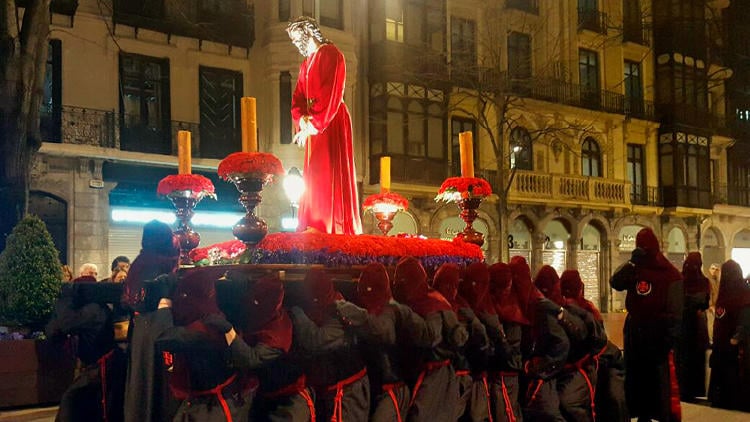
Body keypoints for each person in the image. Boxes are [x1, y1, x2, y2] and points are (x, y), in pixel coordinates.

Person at [287, 16, 362, 235]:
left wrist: (314, 123)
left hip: (331, 121)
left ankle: (331, 226)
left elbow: (332, 91)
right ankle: (313, 223)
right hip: (313, 126)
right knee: (314, 175)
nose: (295, 43)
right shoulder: (305, 64)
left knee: (328, 170)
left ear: (307, 32)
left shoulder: (331, 54)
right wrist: (301, 120)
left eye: (296, 37)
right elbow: (298, 96)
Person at [337, 263, 438, 421]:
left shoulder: (394, 310)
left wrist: (342, 306)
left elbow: (383, 332)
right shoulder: (382, 310)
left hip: (392, 391)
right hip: (374, 389)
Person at [156, 268, 252, 422]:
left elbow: (164, 338)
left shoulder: (204, 327)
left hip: (212, 408)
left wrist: (164, 304)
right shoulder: (219, 315)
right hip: (218, 402)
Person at [610, 227, 683, 422]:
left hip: (657, 334)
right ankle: (642, 416)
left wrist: (669, 338)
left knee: (658, 383)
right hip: (635, 333)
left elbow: (675, 310)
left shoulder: (669, 272)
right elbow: (615, 282)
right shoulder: (635, 269)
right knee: (637, 380)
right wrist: (632, 262)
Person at [392, 256, 468, 422]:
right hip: (417, 371)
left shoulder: (433, 302)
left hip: (435, 375)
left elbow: (431, 338)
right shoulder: (415, 301)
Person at [290, 269, 370, 421]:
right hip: (337, 391)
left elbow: (315, 340)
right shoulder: (324, 309)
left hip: (348, 392)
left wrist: (296, 313)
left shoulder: (338, 312)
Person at [121, 220, 181, 422]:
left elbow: (131, 300)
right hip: (158, 327)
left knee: (142, 382)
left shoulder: (140, 261)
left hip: (141, 331)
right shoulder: (163, 263)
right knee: (158, 383)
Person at [508, 256, 570, 422]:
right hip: (525, 372)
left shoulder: (538, 304)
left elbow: (560, 342)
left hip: (540, 376)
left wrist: (539, 367)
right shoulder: (519, 300)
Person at [708, 259, 750, 411]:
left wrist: (737, 336)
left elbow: (746, 317)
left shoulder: (744, 293)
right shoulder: (724, 292)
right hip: (722, 344)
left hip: (734, 345)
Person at [487, 262, 525, 422]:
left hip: (506, 374)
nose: (506, 290)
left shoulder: (510, 309)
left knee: (507, 413)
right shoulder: (490, 305)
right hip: (499, 374)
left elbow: (509, 348)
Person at [679, 252, 711, 401]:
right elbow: (705, 303)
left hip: (682, 324)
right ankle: (695, 390)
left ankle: (682, 389)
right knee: (696, 357)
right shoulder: (704, 281)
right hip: (697, 324)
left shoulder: (680, 280)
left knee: (683, 357)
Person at [707, 263, 721, 344]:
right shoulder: (707, 281)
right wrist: (710, 305)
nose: (714, 271)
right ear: (709, 270)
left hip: (719, 307)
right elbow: (709, 295)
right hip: (711, 308)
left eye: (717, 269)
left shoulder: (720, 282)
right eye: (713, 269)